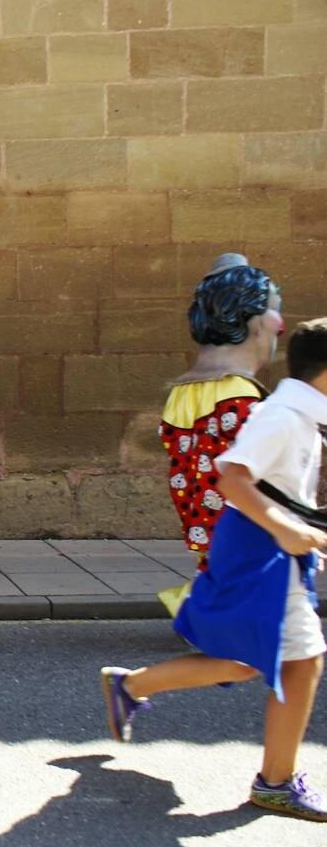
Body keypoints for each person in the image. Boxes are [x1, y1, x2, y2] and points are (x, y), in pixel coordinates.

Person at [100, 318, 327, 823]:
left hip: (265, 549)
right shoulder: (284, 416)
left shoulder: (299, 414)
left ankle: (131, 686)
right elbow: (231, 475)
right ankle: (276, 783)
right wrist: (286, 530)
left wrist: (300, 529)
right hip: (258, 550)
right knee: (301, 661)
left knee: (250, 661)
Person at [156, 256, 283, 615]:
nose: (281, 325)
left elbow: (182, 454)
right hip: (231, 511)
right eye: (274, 309)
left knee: (223, 560)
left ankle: (209, 608)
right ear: (246, 316)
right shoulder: (237, 393)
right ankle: (207, 612)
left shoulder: (188, 391)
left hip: (200, 508)